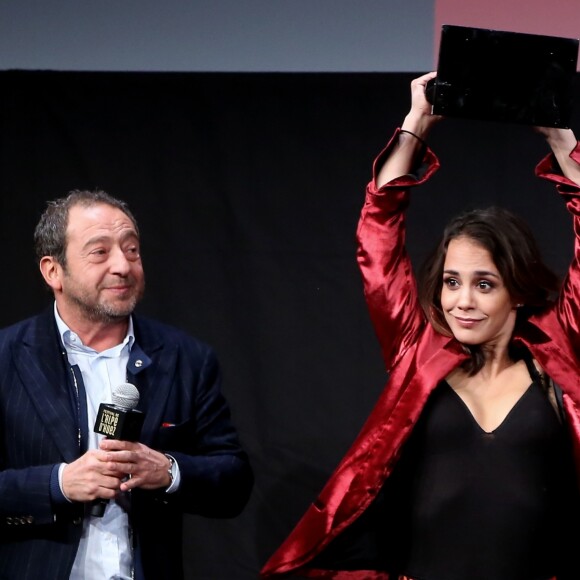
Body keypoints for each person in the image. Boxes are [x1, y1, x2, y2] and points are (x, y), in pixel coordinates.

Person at [260, 71, 580, 579]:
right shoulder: (419, 350)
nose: (461, 302)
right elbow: (378, 241)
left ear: (517, 290)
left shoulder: (559, 352)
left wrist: (562, 137)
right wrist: (415, 127)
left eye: (484, 284)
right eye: (451, 282)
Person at [0, 189, 254, 579]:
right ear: (53, 271)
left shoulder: (185, 358)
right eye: (100, 252)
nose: (123, 265)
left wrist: (169, 471)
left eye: (132, 250)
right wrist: (58, 483)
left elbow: (233, 483)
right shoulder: (7, 357)